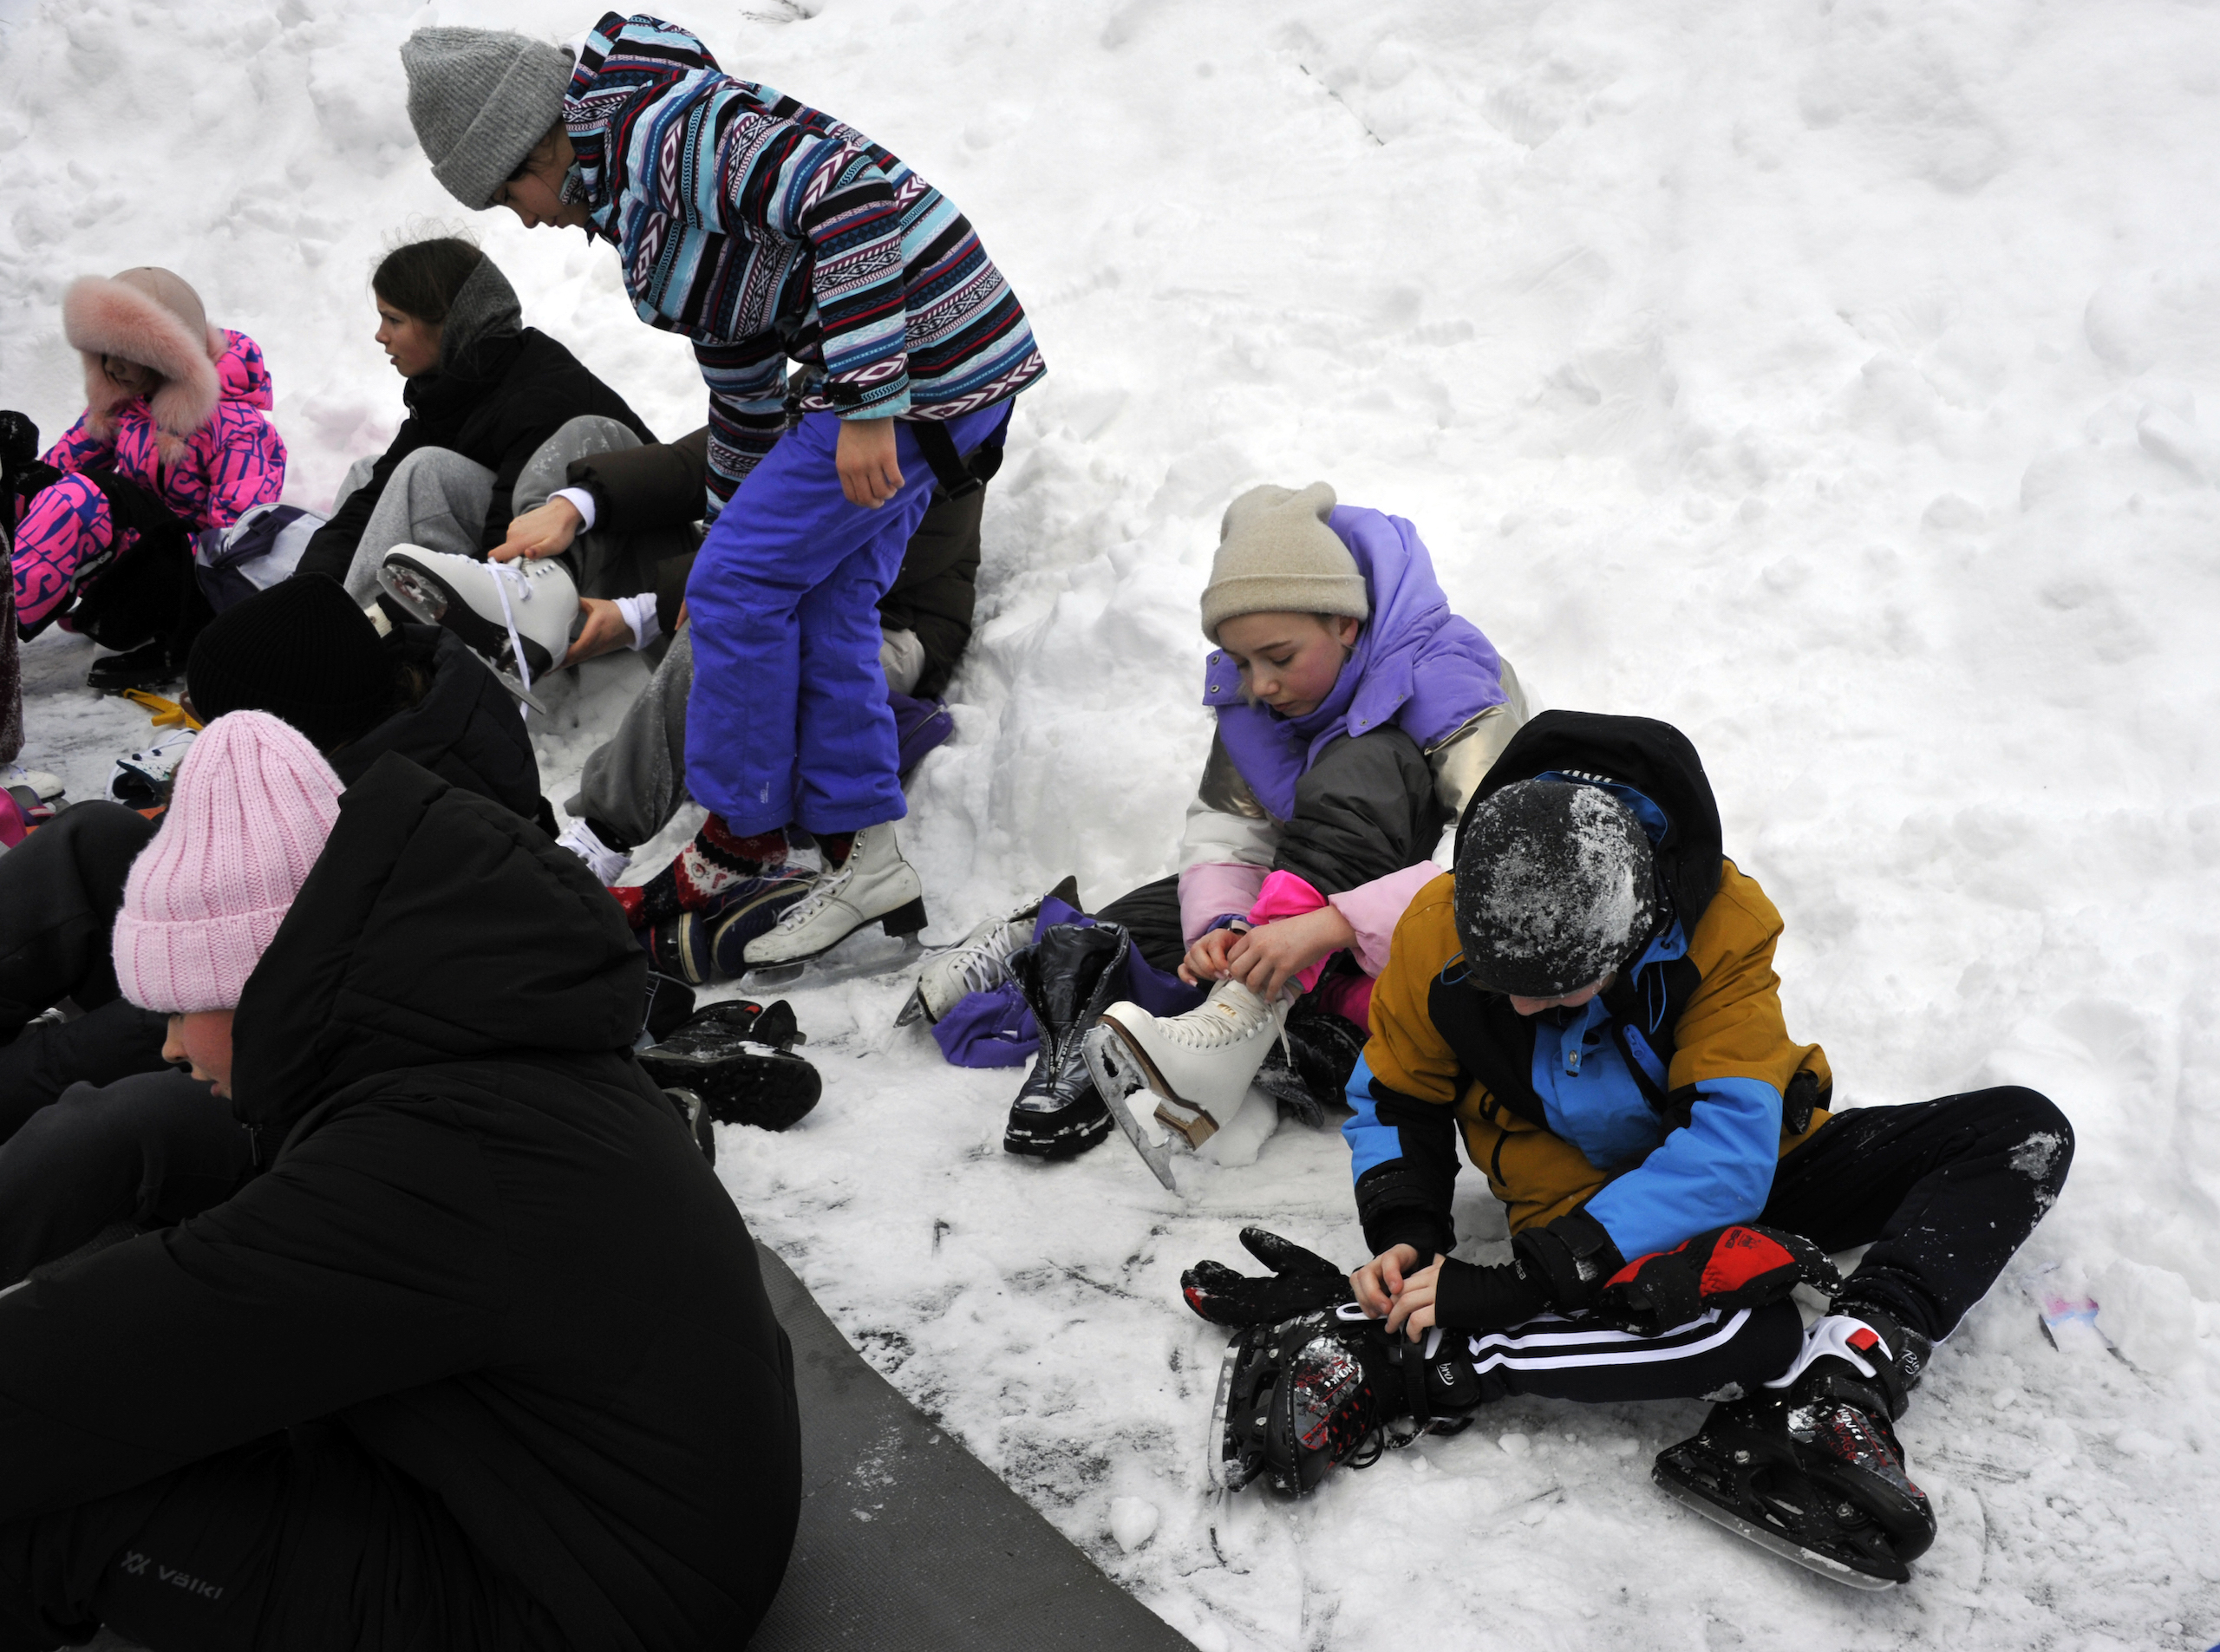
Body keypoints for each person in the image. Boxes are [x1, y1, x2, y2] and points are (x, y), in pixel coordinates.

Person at [1186, 710, 2073, 1586]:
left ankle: (1845, 1375)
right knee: (1751, 1336)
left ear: (1635, 928)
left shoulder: (1723, 924)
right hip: (1578, 1204)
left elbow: (1728, 1148)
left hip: (1753, 1164)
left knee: (2019, 1131)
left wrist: (1530, 1281)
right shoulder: (1436, 927)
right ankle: (1418, 1360)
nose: (1524, 1009)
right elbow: (1395, 1095)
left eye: (1558, 990)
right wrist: (1406, 1232)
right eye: (1505, 988)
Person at [0, 709, 800, 1648]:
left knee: (59, 1511)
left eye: (181, 1009)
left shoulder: (430, 1159)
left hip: (582, 1599)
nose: (169, 1043)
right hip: (564, 1482)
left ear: (265, 984)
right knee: (162, 1127)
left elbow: (102, 1363)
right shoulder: (445, 1029)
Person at [401, 12, 1046, 965]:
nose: (527, 219)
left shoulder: (663, 130)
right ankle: (866, 858)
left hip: (927, 360)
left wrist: (868, 400)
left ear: (537, 141)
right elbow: (742, 382)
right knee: (822, 600)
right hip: (936, 367)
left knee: (735, 587)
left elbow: (850, 198)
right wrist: (726, 518)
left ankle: (738, 843)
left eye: (511, 194)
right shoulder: (642, 206)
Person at [910, 481, 1525, 1163]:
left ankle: (1245, 1008)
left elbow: (1504, 868)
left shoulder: (1453, 680)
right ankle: (1045, 944)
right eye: (1241, 663)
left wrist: (1332, 925)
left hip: (1405, 917)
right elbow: (1227, 832)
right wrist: (1222, 928)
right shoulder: (1261, 700)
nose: (1260, 684)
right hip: (1301, 912)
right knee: (1140, 937)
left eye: (1280, 658)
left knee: (1366, 760)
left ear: (1344, 624)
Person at [0, 573, 545, 1137]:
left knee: (178, 1014)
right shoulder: (387, 719)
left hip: (306, 1052)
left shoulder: (395, 814)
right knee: (92, 836)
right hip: (276, 974)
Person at [542, 427, 994, 923]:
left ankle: (603, 839)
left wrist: (647, 610)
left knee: (733, 624)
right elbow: (704, 458)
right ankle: (532, 605)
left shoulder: (927, 415)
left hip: (890, 628)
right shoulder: (818, 394)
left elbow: (833, 554)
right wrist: (576, 505)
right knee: (592, 443)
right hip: (782, 594)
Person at [288, 237, 661, 681]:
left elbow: (506, 558)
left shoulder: (537, 396)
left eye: (394, 320)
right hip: (529, 557)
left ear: (450, 324)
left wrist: (389, 616)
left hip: (599, 596)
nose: (380, 335)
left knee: (425, 472)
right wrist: (298, 601)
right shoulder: (451, 386)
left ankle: (341, 660)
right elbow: (369, 500)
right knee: (368, 472)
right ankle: (319, 629)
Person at [4, 267, 285, 691]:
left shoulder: (239, 430)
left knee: (85, 495)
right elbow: (60, 474)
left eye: (128, 352)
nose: (112, 366)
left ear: (169, 355)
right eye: (104, 351)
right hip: (133, 567)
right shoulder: (127, 403)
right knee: (29, 486)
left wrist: (198, 635)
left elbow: (236, 543)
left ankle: (5, 615)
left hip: (188, 586)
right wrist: (20, 474)